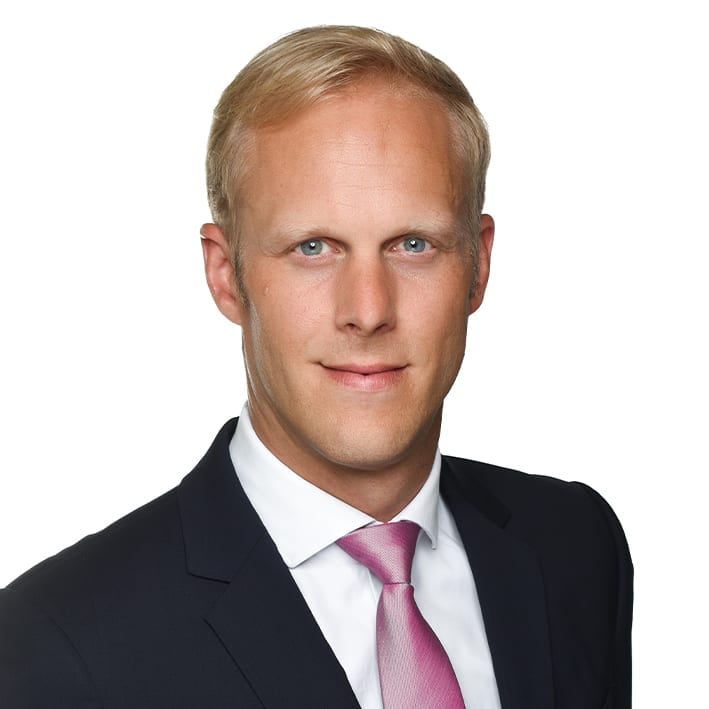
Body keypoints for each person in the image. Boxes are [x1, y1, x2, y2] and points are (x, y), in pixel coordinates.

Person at [0, 25, 632, 708]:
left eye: (412, 244)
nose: (368, 310)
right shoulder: (56, 643)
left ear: (478, 264)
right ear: (226, 275)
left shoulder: (575, 547)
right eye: (312, 248)